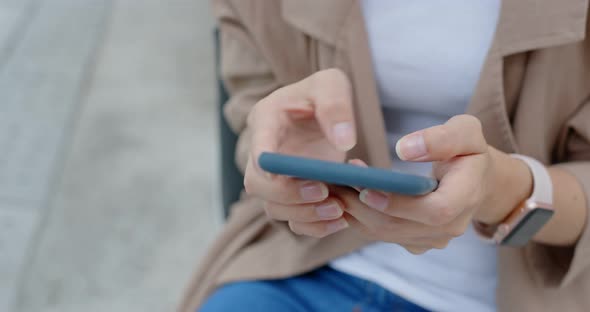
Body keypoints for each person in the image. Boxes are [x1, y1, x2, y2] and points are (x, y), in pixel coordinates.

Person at [181, 1, 590, 311]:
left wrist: (504, 190)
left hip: (518, 296)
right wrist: (273, 148)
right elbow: (251, 104)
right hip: (304, 267)